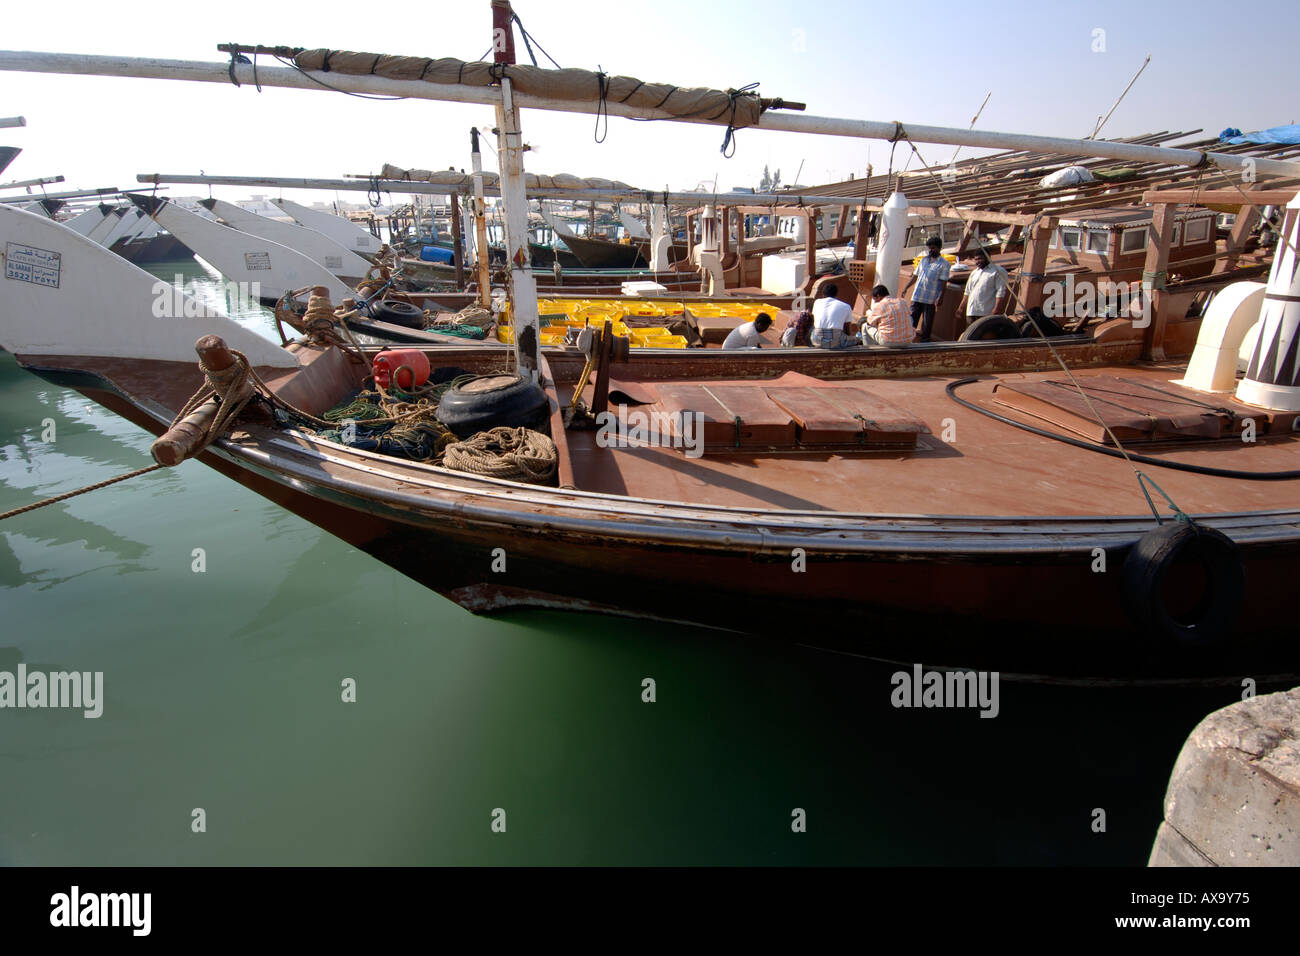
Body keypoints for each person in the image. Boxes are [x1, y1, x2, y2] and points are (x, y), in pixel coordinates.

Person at [900, 235, 950, 342]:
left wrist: (940, 297)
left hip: (930, 298)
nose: (931, 250)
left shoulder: (944, 264)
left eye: (933, 248)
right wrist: (906, 287)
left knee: (927, 323)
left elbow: (943, 282)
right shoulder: (923, 260)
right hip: (917, 295)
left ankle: (925, 342)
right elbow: (915, 276)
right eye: (929, 248)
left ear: (939, 248)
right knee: (912, 320)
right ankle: (908, 340)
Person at [956, 250, 1008, 328]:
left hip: (986, 312)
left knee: (986, 337)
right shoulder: (974, 273)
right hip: (972, 311)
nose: (978, 261)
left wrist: (996, 309)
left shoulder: (998, 271)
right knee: (971, 336)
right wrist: (960, 308)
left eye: (980, 259)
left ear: (988, 257)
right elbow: (967, 292)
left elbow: (1000, 292)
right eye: (976, 259)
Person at [810, 284, 858, 349]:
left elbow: (814, 321)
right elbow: (847, 330)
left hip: (816, 340)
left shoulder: (817, 302)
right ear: (836, 294)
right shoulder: (846, 306)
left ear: (823, 295)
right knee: (857, 339)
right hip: (835, 341)